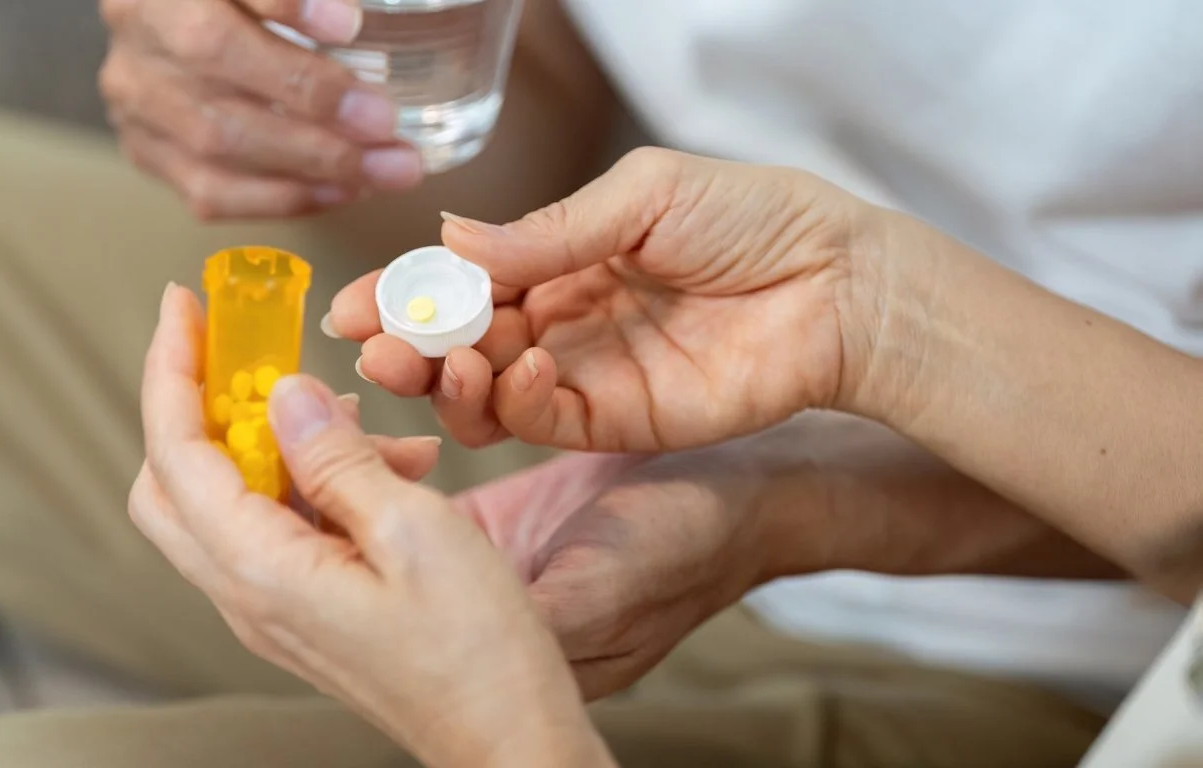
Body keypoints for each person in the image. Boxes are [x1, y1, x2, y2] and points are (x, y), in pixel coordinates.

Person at [0, 0, 1199, 765]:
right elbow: (522, 89)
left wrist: (861, 380)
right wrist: (324, 101)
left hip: (1084, 641)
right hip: (661, 382)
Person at [121, 147, 1203, 766]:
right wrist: (842, 349)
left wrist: (499, 731)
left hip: (1071, 666)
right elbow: (525, 114)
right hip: (712, 383)